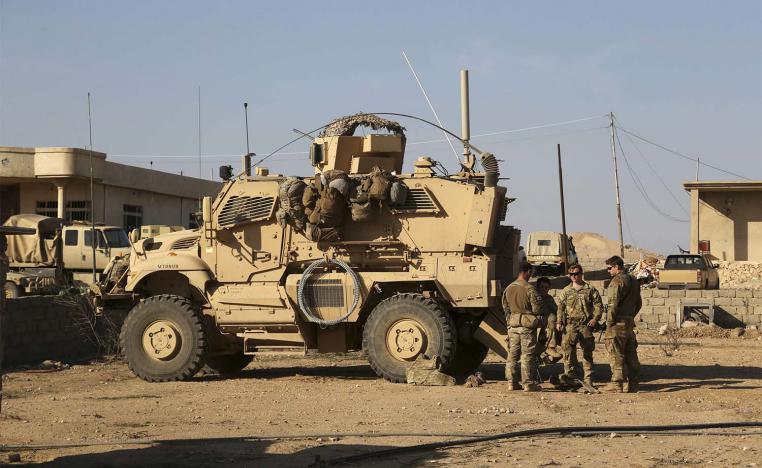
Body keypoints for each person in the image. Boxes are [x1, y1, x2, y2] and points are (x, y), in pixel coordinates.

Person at [556, 264, 603, 386]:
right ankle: (571, 378)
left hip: (585, 325)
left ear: (581, 274)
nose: (574, 277)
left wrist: (595, 319)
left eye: (576, 274)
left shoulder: (590, 289)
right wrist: (559, 322)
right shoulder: (566, 291)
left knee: (587, 353)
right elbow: (560, 308)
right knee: (568, 353)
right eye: (571, 274)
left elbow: (598, 305)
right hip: (570, 326)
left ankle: (588, 379)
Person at [503, 261, 546, 392]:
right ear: (528, 272)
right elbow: (537, 308)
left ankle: (512, 382)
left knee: (512, 354)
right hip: (527, 326)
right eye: (530, 272)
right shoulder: (529, 288)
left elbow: (506, 309)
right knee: (527, 355)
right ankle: (528, 383)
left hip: (513, 324)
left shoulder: (508, 288)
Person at [602, 255, 642, 393]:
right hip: (629, 324)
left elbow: (612, 304)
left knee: (615, 353)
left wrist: (609, 322)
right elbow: (639, 303)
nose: (608, 271)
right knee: (631, 354)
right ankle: (634, 384)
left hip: (617, 324)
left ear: (616, 267)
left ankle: (617, 384)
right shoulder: (634, 280)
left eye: (609, 268)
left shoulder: (617, 281)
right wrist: (630, 317)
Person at [535, 277, 562, 363]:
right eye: (542, 287)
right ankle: (551, 347)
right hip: (537, 320)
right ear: (538, 287)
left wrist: (560, 321)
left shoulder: (549, 298)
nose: (544, 289)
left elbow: (555, 310)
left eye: (546, 287)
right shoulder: (535, 297)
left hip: (548, 323)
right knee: (551, 318)